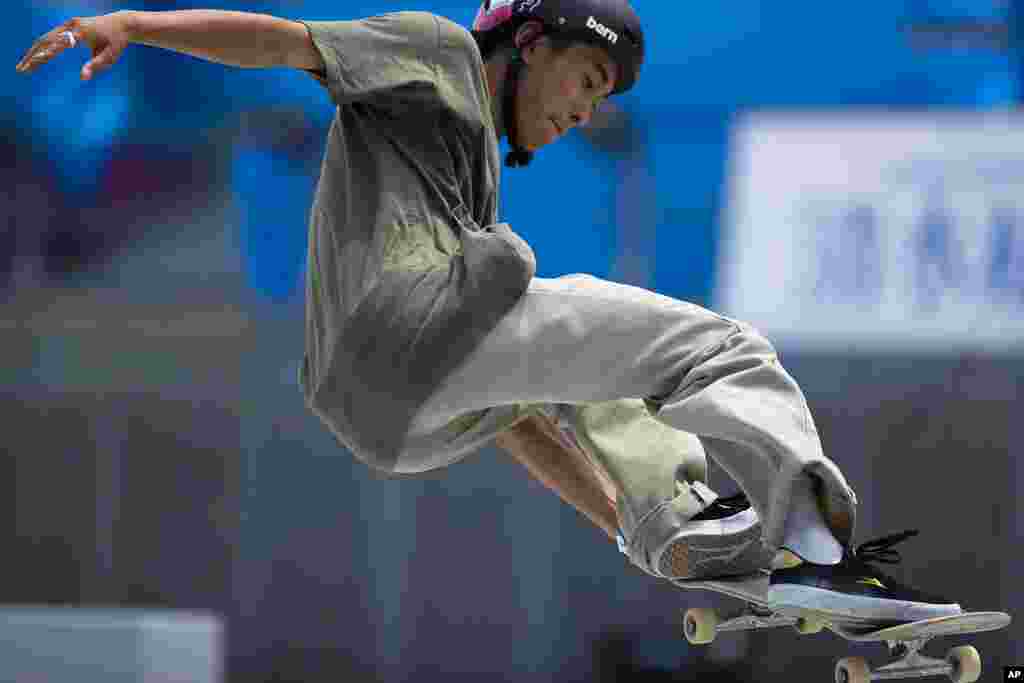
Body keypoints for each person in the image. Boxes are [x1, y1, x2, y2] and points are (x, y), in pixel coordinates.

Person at [17, 1, 962, 625]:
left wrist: (620, 531)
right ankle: (818, 540)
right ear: (532, 43)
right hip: (401, 327)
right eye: (585, 81)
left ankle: (666, 522)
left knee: (581, 368)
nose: (584, 111)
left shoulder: (457, 196)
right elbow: (287, 44)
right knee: (715, 346)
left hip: (388, 409)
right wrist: (137, 25)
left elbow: (519, 414)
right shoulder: (437, 54)